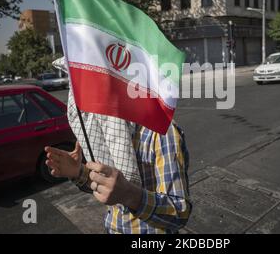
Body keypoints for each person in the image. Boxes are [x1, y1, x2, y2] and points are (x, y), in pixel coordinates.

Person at [45, 58, 191, 234]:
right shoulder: (104, 129)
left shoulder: (160, 132)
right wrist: (79, 173)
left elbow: (179, 213)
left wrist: (131, 195)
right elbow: (109, 189)